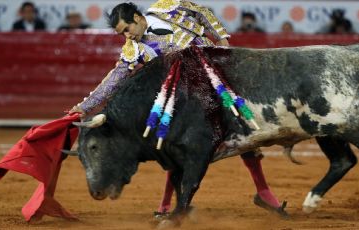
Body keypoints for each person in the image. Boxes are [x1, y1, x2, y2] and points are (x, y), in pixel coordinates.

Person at [69, 0, 284, 217]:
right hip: (187, 99)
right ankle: (165, 204)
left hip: (216, 75)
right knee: (173, 142)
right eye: (122, 34)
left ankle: (263, 191)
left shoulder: (166, 8)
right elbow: (112, 81)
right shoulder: (133, 50)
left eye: (127, 29)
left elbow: (202, 12)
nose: (127, 36)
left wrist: (222, 39)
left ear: (136, 18)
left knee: (241, 125)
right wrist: (84, 107)